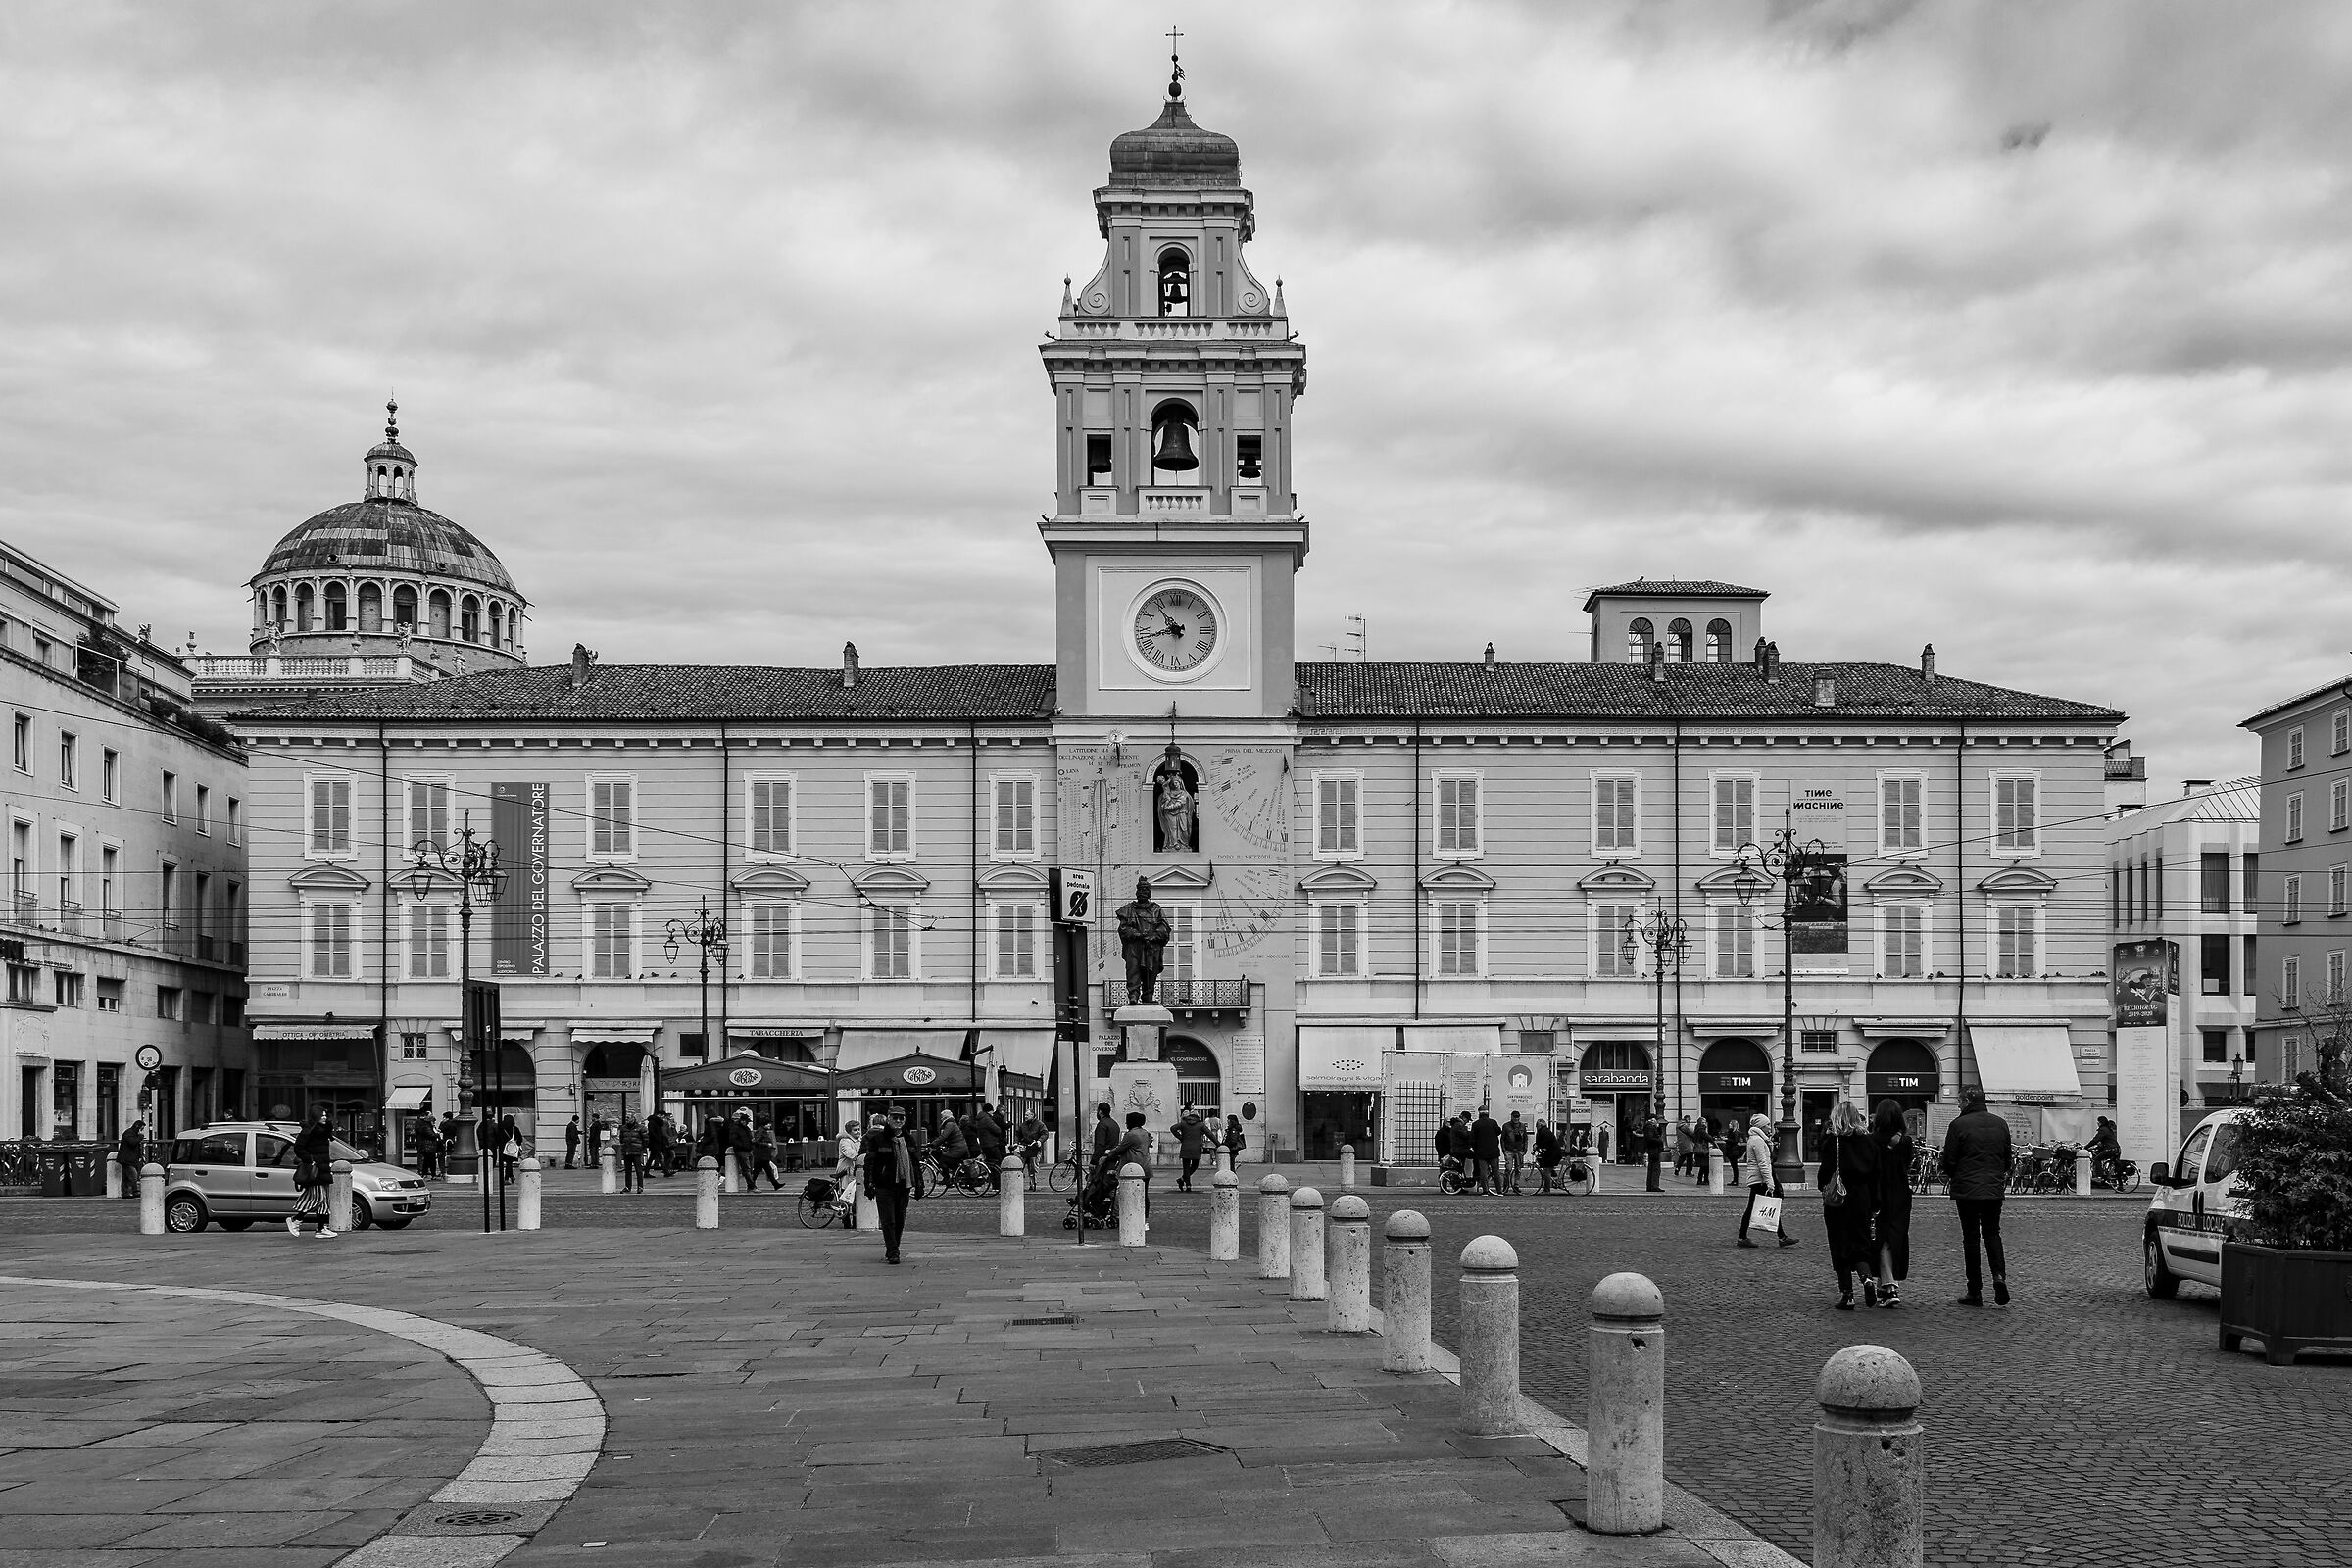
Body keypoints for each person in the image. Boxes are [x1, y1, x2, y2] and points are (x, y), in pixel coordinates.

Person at [1940, 1091, 2014, 1306]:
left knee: (1971, 1238)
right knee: (1992, 1233)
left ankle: (1975, 1290)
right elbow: (2007, 1158)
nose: (1958, 1106)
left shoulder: (1958, 1125)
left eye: (1959, 1102)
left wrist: (1957, 1175)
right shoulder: (2001, 1124)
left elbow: (1949, 1159)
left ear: (1966, 1102)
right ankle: (1999, 1277)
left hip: (1967, 1189)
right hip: (1992, 1188)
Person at [1819, 1101, 1881, 1310]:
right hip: (1862, 1198)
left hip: (1839, 1199)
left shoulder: (1832, 1141)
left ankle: (1847, 1295)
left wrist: (1823, 1187)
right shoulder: (1869, 1142)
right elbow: (1876, 1175)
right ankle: (1867, 1278)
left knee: (1840, 1244)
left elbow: (1824, 1173)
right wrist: (1875, 1203)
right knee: (1860, 1242)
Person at [1871, 1099, 1914, 1308]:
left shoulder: (1872, 1140)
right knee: (1894, 1236)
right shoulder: (1905, 1141)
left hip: (1878, 1192)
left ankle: (1890, 1286)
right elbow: (1906, 1164)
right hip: (1900, 1193)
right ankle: (1885, 1285)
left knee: (1881, 1238)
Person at [860, 1104, 916, 1262]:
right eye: (894, 1118)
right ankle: (893, 1252)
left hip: (904, 1185)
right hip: (884, 1184)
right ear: (888, 1119)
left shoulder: (909, 1139)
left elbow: (915, 1164)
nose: (897, 1121)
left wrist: (919, 1185)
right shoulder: (878, 1139)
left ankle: (894, 1247)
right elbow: (869, 1163)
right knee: (888, 1220)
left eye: (901, 1118)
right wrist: (869, 1184)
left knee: (899, 1220)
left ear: (904, 1120)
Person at [1737, 1112, 1797, 1248]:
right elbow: (1763, 1163)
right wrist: (1769, 1182)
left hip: (1759, 1179)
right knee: (1757, 1206)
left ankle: (1781, 1236)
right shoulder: (1757, 1141)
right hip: (1760, 1179)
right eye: (1767, 1125)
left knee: (1768, 1205)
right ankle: (1743, 1237)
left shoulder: (1758, 1139)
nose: (1770, 1127)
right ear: (1761, 1126)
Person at [289, 1104, 338, 1239]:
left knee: (325, 1200)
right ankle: (295, 1219)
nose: (325, 1117)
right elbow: (299, 1148)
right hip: (315, 1169)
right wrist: (309, 1160)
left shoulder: (323, 1130)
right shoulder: (308, 1131)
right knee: (318, 1197)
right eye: (322, 1115)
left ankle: (321, 1228)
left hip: (323, 1167)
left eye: (325, 1115)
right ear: (316, 1117)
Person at [834, 1118, 864, 1231]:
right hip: (846, 1172)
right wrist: (861, 1158)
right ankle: (846, 1222)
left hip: (857, 1172)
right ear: (849, 1132)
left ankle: (857, 1222)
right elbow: (849, 1153)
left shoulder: (860, 1140)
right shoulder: (844, 1141)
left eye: (859, 1129)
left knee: (857, 1197)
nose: (858, 1132)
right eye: (855, 1130)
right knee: (846, 1197)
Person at [1171, 1108, 1208, 1192]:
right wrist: (1218, 1144)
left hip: (1185, 1147)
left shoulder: (1184, 1124)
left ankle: (1187, 1184)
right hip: (1196, 1148)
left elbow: (1173, 1128)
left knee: (1186, 1167)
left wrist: (1180, 1137)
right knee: (1194, 1166)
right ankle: (1183, 1180)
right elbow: (1209, 1134)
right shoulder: (1200, 1125)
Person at [973, 1103, 1007, 1190]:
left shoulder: (979, 1119)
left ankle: (994, 1185)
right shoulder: (986, 1119)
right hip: (991, 1144)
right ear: (989, 1111)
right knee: (997, 1164)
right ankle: (998, 1185)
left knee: (990, 1165)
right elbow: (997, 1130)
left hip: (984, 1145)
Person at [1469, 1108, 1502, 1196]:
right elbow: (1499, 1131)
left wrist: (1476, 1148)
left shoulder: (1476, 1124)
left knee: (1483, 1172)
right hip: (1493, 1151)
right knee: (1496, 1172)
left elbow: (1472, 1139)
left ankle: (1485, 1191)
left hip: (1481, 1152)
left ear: (1479, 1114)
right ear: (1487, 1114)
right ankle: (1499, 1191)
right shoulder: (1493, 1122)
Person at [936, 1108, 972, 1184]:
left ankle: (947, 1179)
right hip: (960, 1147)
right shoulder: (951, 1123)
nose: (941, 1118)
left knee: (942, 1161)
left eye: (942, 1117)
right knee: (950, 1161)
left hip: (958, 1148)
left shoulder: (949, 1124)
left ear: (945, 1117)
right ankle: (956, 1174)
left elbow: (944, 1136)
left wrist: (933, 1143)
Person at [116, 1119, 146, 1200]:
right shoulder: (129, 1133)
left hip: (129, 1159)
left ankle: (125, 1192)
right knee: (133, 1175)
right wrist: (140, 1137)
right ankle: (135, 1190)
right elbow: (132, 1143)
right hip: (127, 1159)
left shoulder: (132, 1133)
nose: (142, 1131)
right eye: (141, 1129)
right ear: (138, 1127)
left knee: (126, 1177)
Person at [751, 1117, 783, 1191]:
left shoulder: (763, 1131)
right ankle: (751, 1184)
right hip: (761, 1154)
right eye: (768, 1124)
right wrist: (767, 1144)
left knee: (765, 1170)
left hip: (763, 1155)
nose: (770, 1125)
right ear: (764, 1124)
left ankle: (775, 1184)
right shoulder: (761, 1131)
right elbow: (756, 1141)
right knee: (760, 1171)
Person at [1500, 1111, 1528, 1195]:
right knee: (1508, 1169)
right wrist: (1504, 1150)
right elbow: (1502, 1139)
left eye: (1517, 1117)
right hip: (1509, 1150)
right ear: (1511, 1117)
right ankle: (1506, 1185)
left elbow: (1525, 1139)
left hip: (1519, 1151)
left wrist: (1524, 1150)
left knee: (1518, 1169)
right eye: (1515, 1117)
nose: (1516, 1119)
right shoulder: (1506, 1126)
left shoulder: (1522, 1126)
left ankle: (1516, 1185)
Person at [1532, 1118, 1562, 1195]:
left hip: (1552, 1154)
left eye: (1536, 1125)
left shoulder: (1543, 1132)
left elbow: (1544, 1143)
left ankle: (1547, 1190)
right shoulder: (1545, 1131)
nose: (1536, 1127)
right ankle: (1554, 1176)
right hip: (1553, 1153)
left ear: (1540, 1125)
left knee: (1546, 1171)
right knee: (1546, 1166)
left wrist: (1537, 1146)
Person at [618, 1114, 647, 1193]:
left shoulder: (641, 1128)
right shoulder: (624, 1128)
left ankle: (640, 1187)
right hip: (627, 1151)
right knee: (628, 1170)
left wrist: (641, 1148)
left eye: (628, 1117)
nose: (627, 1119)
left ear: (633, 1118)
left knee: (638, 1170)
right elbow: (622, 1139)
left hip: (636, 1151)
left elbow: (645, 1139)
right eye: (626, 1117)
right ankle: (628, 1186)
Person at [1642, 1104, 1665, 1193]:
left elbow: (1658, 1134)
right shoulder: (1650, 1127)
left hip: (1653, 1149)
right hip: (1654, 1149)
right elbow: (1650, 1138)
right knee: (1655, 1168)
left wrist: (1658, 1127)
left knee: (1653, 1168)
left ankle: (1651, 1186)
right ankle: (1654, 1185)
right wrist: (1659, 1141)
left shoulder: (1651, 1127)